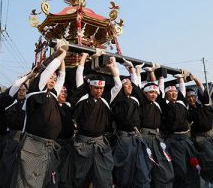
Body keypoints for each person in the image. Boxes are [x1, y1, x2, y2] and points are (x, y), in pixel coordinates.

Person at [12, 46, 67, 188]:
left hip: (50, 144)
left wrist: (62, 59)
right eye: (50, 78)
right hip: (34, 144)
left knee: (48, 180)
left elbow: (62, 76)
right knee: (30, 180)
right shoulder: (36, 91)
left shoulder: (53, 95)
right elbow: (48, 71)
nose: (53, 80)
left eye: (54, 79)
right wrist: (61, 55)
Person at [71, 53, 122, 188]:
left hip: (100, 143)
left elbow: (118, 85)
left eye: (101, 88)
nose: (99, 91)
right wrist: (82, 59)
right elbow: (78, 77)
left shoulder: (105, 99)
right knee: (80, 177)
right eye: (96, 88)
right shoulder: (82, 97)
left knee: (104, 177)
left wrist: (112, 68)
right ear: (90, 87)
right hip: (83, 143)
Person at [127, 62, 174, 188]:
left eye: (155, 92)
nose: (153, 94)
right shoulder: (141, 102)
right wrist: (135, 70)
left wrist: (152, 72)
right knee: (144, 168)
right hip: (144, 137)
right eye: (150, 92)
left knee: (163, 167)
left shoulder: (158, 103)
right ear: (145, 93)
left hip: (157, 138)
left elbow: (158, 88)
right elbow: (137, 87)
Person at [110, 59, 152, 188]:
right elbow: (117, 85)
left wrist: (133, 70)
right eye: (126, 84)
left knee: (142, 170)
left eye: (130, 85)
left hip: (137, 137)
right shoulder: (116, 99)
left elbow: (139, 90)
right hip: (124, 138)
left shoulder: (135, 100)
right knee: (124, 171)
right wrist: (113, 67)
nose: (130, 86)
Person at [158, 72, 200, 188]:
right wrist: (161, 76)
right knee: (180, 169)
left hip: (186, 139)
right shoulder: (164, 105)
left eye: (175, 91)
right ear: (166, 94)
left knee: (193, 165)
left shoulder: (182, 102)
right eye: (170, 92)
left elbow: (182, 90)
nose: (173, 93)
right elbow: (159, 92)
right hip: (174, 140)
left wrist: (181, 79)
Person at [187, 75, 213, 188]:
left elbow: (201, 88)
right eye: (188, 97)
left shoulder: (204, 105)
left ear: (196, 96)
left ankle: (209, 182)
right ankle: (211, 183)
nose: (191, 98)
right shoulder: (188, 111)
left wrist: (195, 79)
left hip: (212, 136)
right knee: (211, 160)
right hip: (201, 139)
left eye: (192, 96)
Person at [56, 85, 75, 188]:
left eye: (65, 92)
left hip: (68, 143)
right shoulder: (52, 105)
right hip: (56, 144)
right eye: (61, 91)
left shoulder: (68, 107)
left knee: (66, 173)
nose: (64, 94)